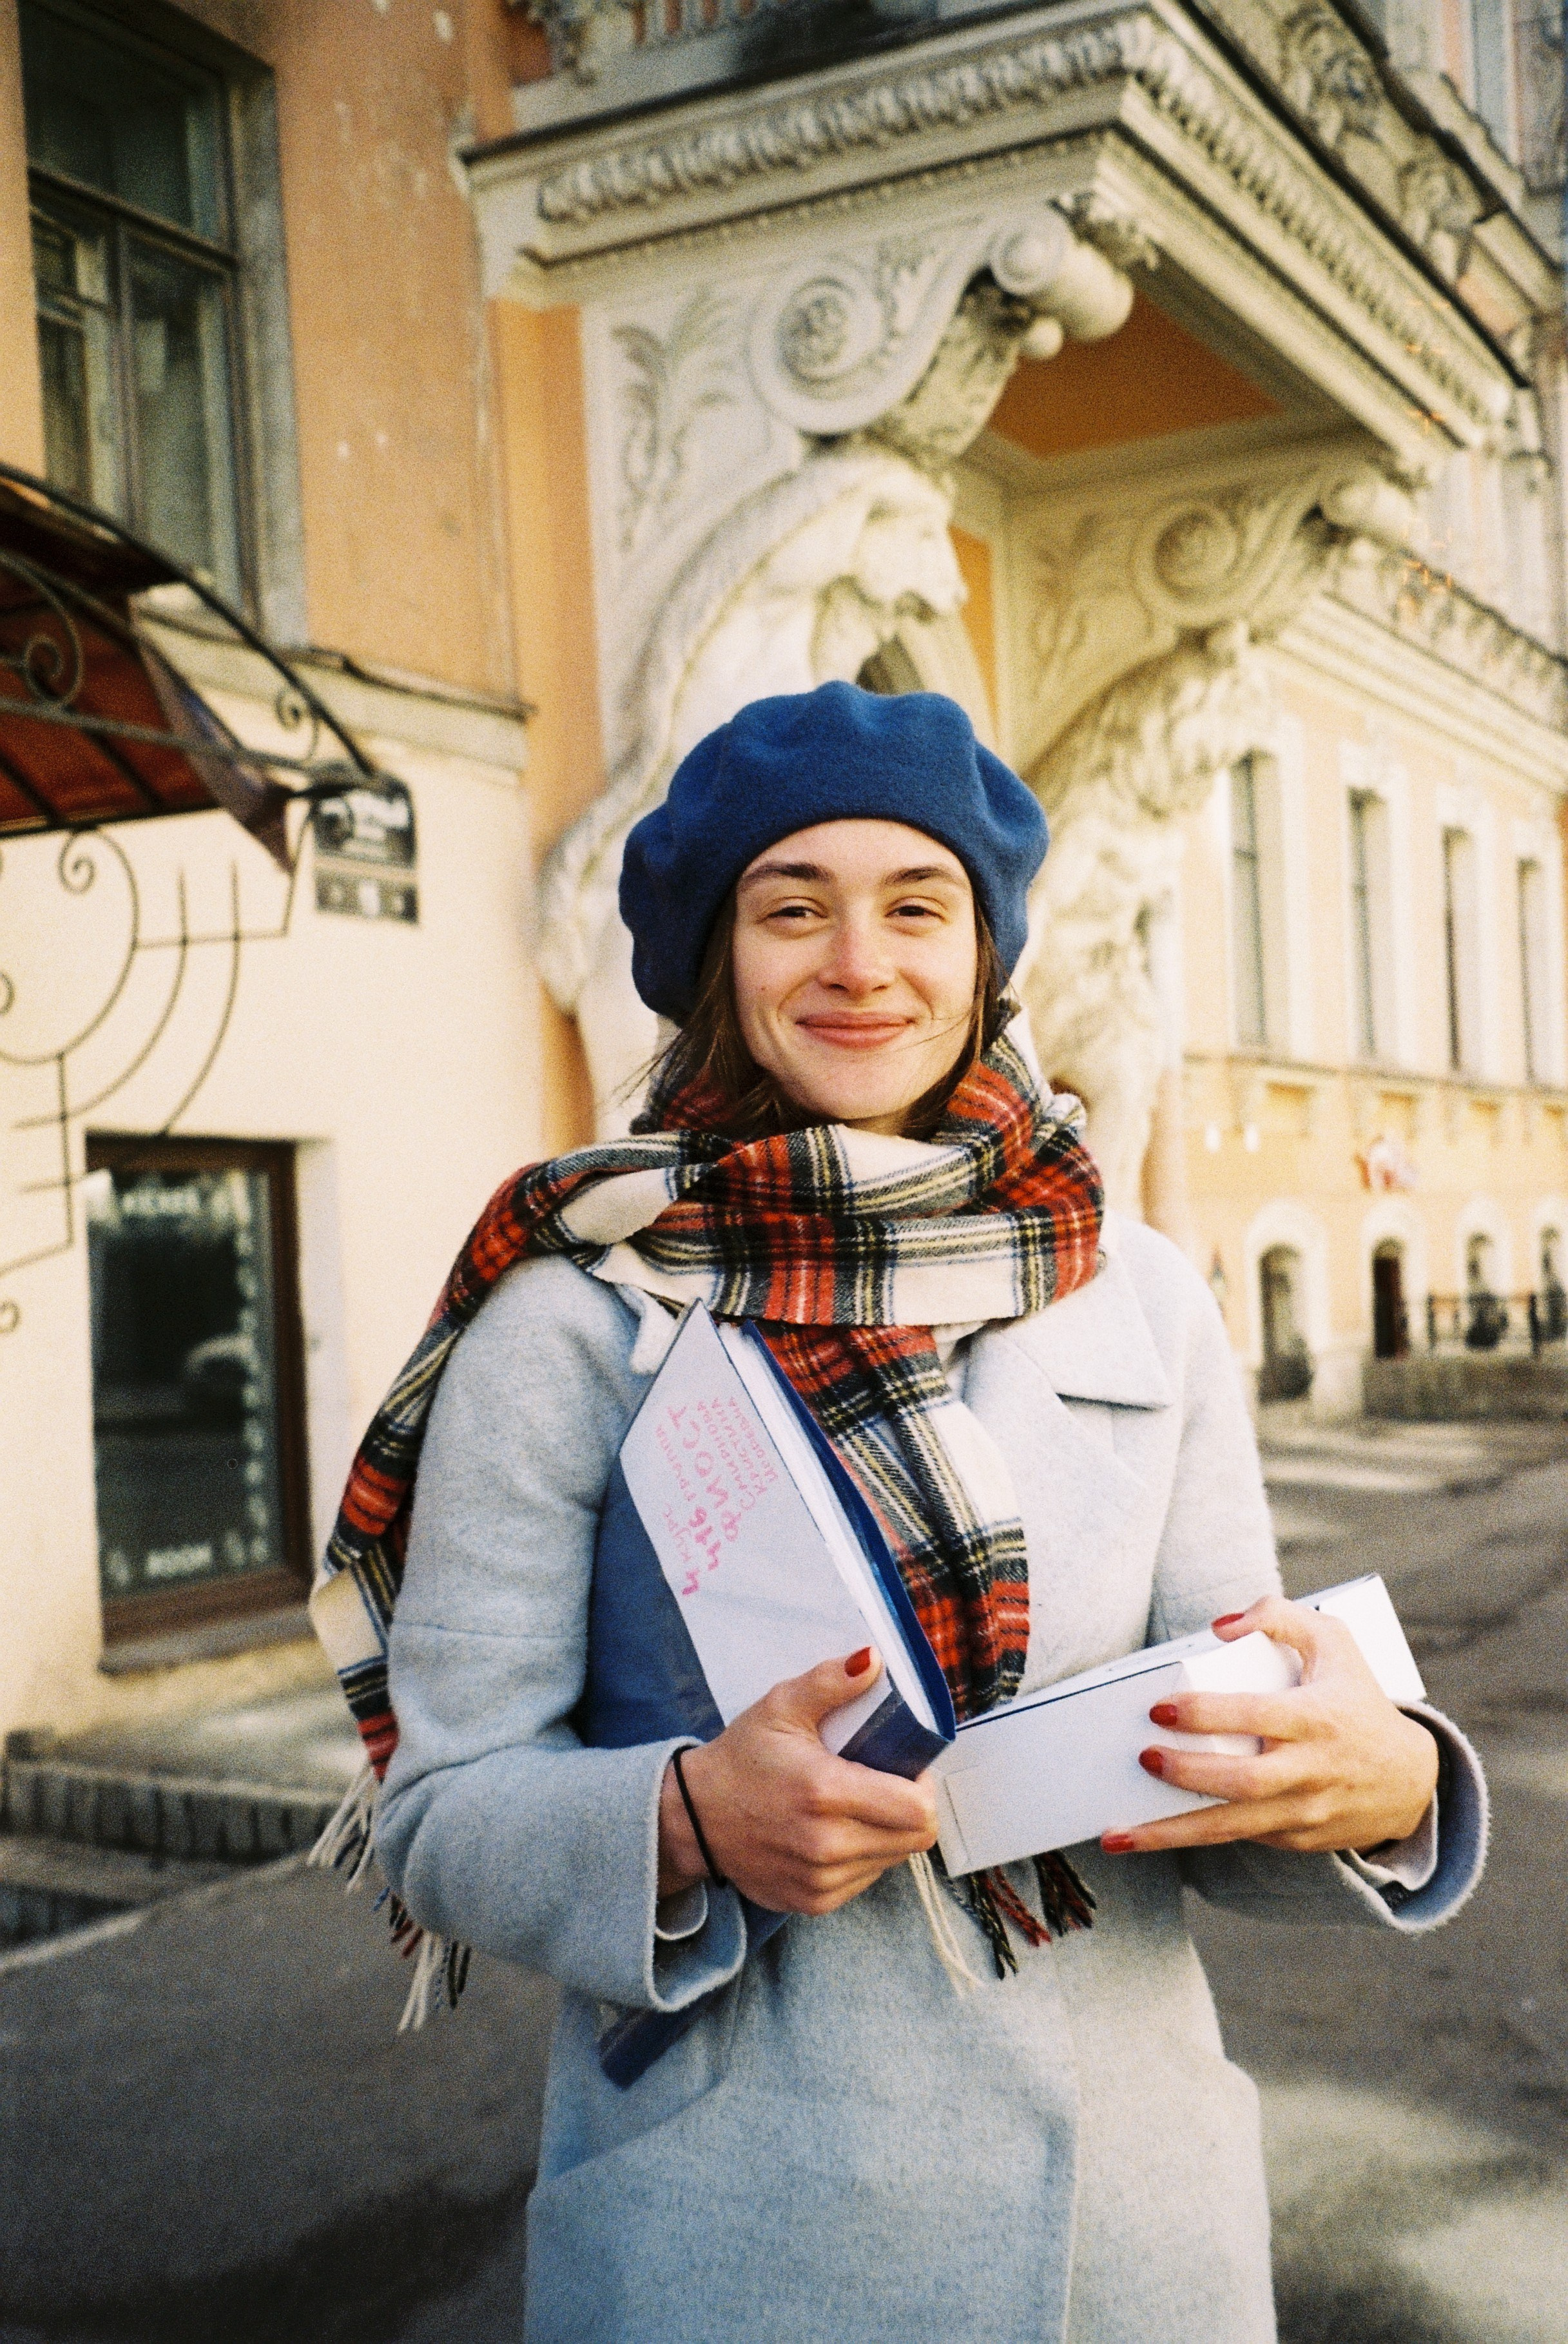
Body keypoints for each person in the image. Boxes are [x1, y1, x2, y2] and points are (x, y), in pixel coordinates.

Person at [322, 683, 1485, 2344]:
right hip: (742, 2251)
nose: (860, 964)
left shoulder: (1140, 1291)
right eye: (793, 909)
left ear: (985, 953)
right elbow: (442, 1817)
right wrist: (689, 1820)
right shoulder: (571, 1318)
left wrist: (1386, 1781)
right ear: (717, 959)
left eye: (917, 907)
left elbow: (1235, 1715)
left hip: (1138, 2248)